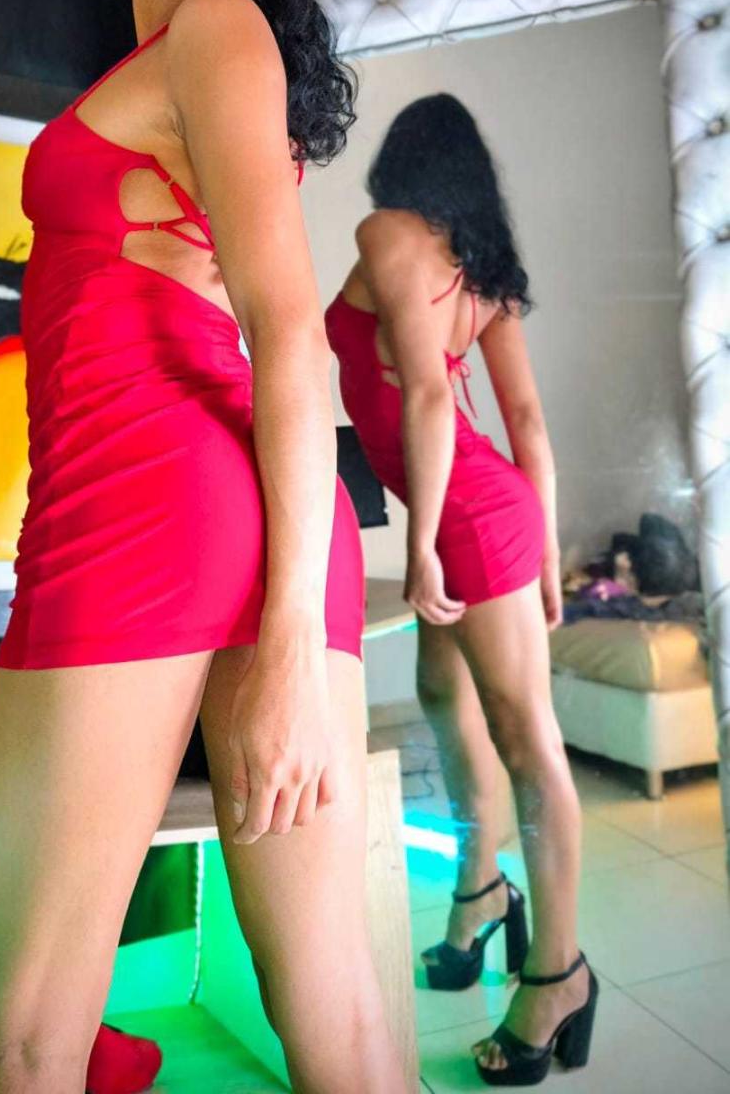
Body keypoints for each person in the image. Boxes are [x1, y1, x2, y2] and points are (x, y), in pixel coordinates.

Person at [0, 0, 406, 1094]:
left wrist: (286, 649)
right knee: (337, 1017)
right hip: (217, 503)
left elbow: (285, 325)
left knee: (18, 1031)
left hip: (145, 503)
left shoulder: (214, 27)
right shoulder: (186, 50)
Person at [324, 94, 598, 1087]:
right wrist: (540, 556)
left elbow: (434, 397)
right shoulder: (477, 274)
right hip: (479, 510)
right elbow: (527, 430)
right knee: (444, 697)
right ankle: (479, 894)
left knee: (528, 744)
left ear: (404, 162)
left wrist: (431, 547)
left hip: (469, 519)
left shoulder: (386, 232)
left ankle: (556, 975)